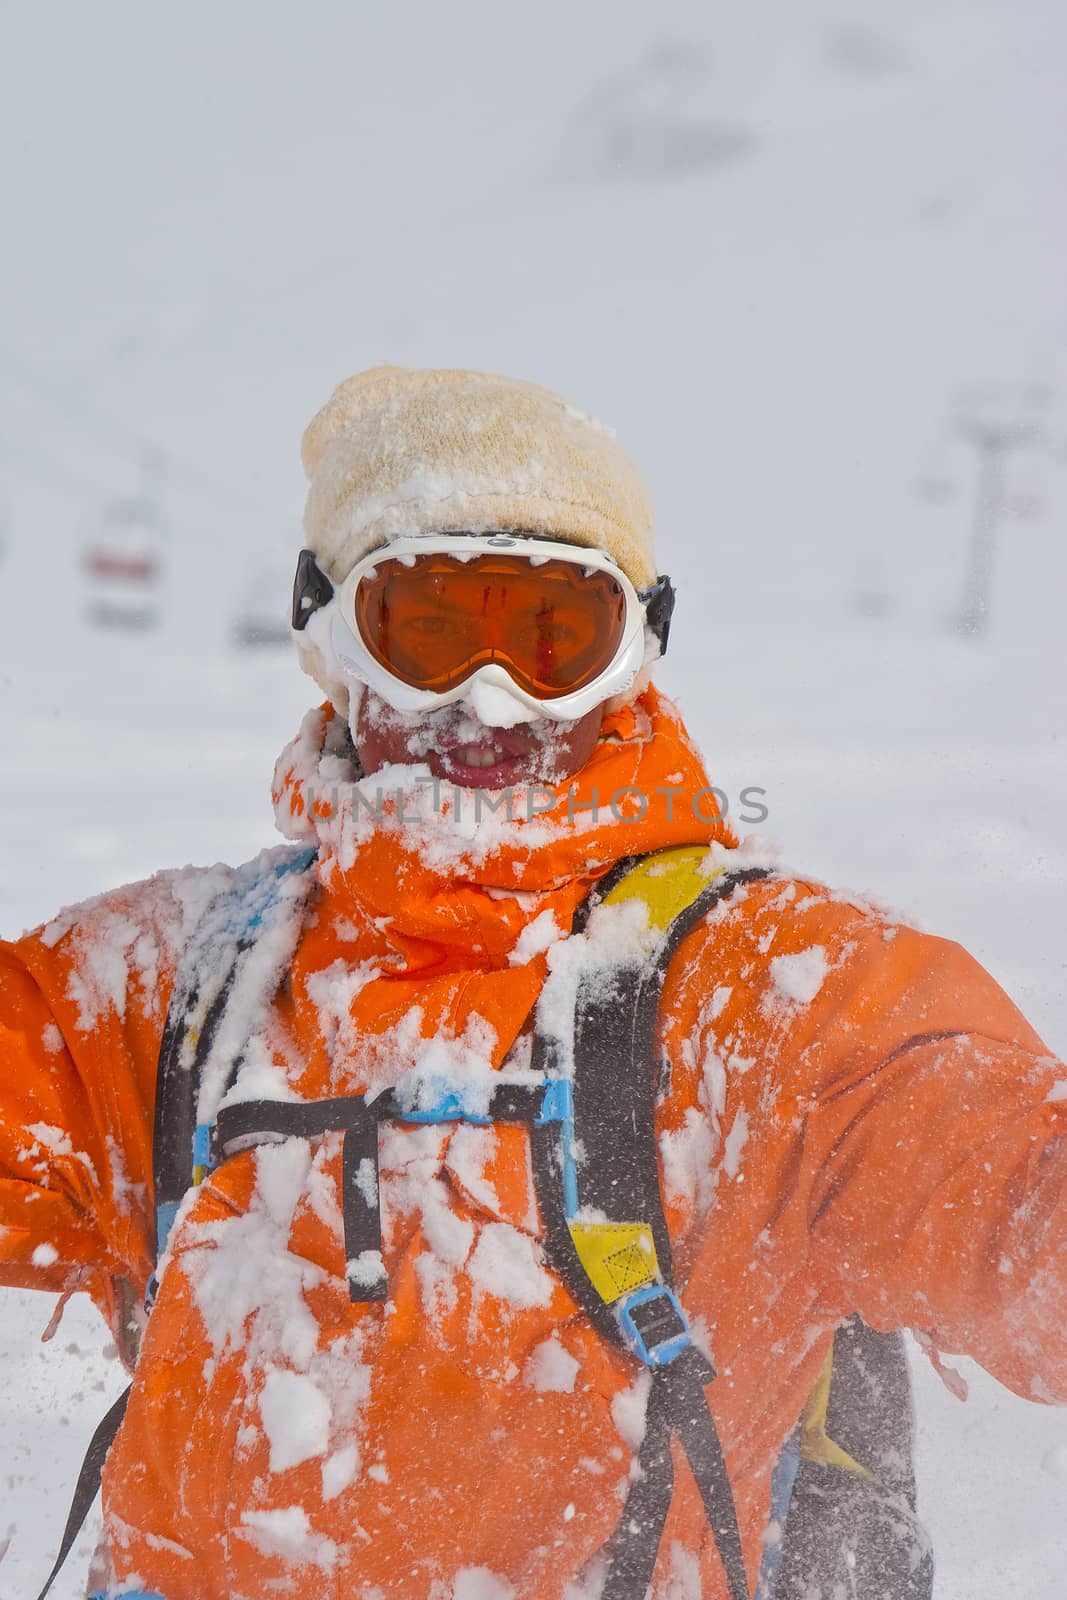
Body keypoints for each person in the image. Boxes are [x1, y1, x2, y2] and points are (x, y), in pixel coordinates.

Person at [1, 365, 1064, 1600]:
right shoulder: (176, 988)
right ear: (335, 644)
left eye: (554, 639)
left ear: (633, 656)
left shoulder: (758, 996)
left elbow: (1000, 1182)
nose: (486, 704)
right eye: (432, 631)